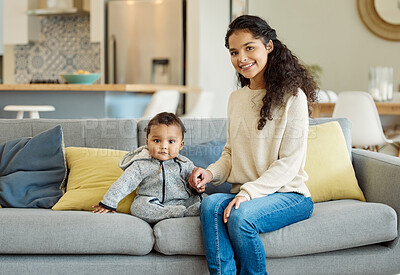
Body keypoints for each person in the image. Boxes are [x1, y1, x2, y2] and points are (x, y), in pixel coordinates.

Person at [188, 15, 318, 274]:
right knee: (211, 205)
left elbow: (289, 163)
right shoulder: (236, 98)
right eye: (234, 52)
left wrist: (247, 193)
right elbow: (230, 154)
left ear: (268, 46)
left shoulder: (294, 97)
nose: (241, 58)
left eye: (250, 48)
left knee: (241, 216)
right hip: (248, 195)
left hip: (288, 195)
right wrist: (210, 173)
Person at [93, 112, 205, 224]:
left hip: (182, 201)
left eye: (171, 141)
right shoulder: (141, 164)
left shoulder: (185, 163)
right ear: (147, 142)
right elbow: (124, 183)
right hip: (152, 202)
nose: (164, 146)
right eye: (157, 141)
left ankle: (185, 210)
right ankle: (176, 213)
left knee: (205, 200)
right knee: (138, 207)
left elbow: (196, 181)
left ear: (181, 145)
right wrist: (108, 202)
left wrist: (199, 186)